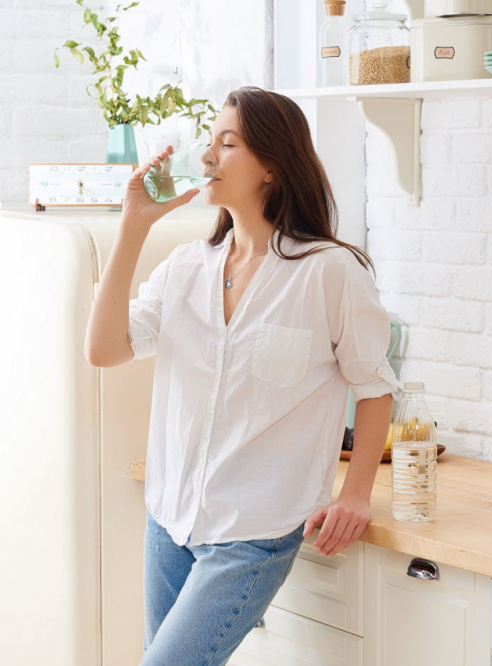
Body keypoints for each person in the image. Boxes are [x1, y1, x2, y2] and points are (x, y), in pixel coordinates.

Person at [85, 85, 401, 666]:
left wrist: (356, 495)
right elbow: (103, 351)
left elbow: (375, 387)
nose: (207, 157)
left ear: (272, 169)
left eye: (227, 144)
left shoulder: (328, 272)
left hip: (252, 534)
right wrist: (134, 225)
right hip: (170, 519)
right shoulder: (185, 267)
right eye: (209, 142)